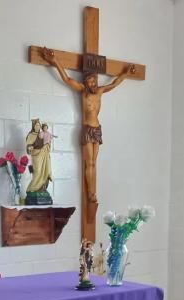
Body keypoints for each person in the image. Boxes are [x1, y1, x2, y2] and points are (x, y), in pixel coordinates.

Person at [42, 47, 134, 220]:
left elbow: (114, 84)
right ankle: (91, 193)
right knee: (89, 163)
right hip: (87, 129)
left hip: (97, 130)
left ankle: (93, 194)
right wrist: (55, 61)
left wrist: (126, 73)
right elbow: (67, 78)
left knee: (95, 162)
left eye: (95, 81)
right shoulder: (83, 91)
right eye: (91, 81)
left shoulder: (99, 91)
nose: (93, 83)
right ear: (86, 81)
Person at [25, 118, 52, 195]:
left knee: (45, 172)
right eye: (36, 125)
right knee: (37, 171)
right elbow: (28, 146)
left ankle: (41, 188)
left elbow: (47, 142)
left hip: (44, 155)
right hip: (36, 156)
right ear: (33, 126)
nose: (38, 126)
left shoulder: (42, 134)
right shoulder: (31, 135)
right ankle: (31, 188)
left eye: (39, 125)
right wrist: (30, 147)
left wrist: (47, 145)